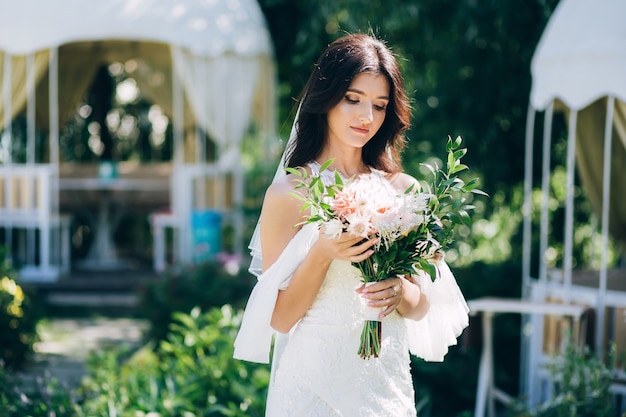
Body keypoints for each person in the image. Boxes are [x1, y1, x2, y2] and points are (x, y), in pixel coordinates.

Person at [234, 33, 469, 416]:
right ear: (325, 99)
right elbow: (279, 318)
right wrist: (323, 252)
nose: (366, 118)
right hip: (311, 385)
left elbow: (422, 303)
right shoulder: (288, 194)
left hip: (384, 383)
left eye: (379, 106)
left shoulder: (403, 190)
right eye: (353, 99)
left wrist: (399, 294)